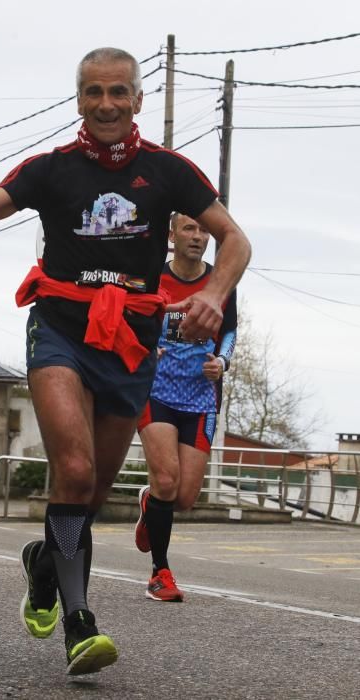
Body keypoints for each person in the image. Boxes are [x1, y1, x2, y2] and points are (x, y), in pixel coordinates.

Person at [0, 47, 251, 675]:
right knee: (71, 471)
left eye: (118, 92)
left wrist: (212, 292)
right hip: (61, 331)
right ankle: (80, 623)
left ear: (137, 100)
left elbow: (236, 237)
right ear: (79, 100)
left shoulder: (169, 171)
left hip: (131, 342)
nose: (106, 104)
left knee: (90, 493)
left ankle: (42, 567)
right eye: (94, 93)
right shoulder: (50, 170)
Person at [136, 213, 237, 601]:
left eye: (204, 231)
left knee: (183, 497)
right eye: (190, 229)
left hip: (200, 397)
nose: (198, 237)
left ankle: (149, 505)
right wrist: (148, 346)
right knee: (166, 480)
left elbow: (229, 329)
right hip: (155, 390)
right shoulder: (151, 274)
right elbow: (133, 319)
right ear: (172, 234)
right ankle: (160, 574)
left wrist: (222, 363)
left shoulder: (220, 281)